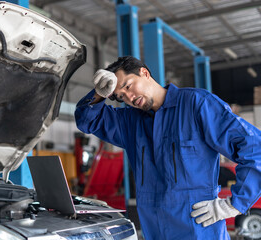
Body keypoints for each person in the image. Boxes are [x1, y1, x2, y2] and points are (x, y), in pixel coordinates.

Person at [74, 56, 261, 240]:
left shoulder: (196, 104)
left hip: (198, 228)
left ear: (144, 73)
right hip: (154, 229)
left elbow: (254, 147)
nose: (129, 97)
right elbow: (86, 120)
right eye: (121, 97)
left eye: (128, 86)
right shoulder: (130, 123)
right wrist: (99, 93)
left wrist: (235, 204)